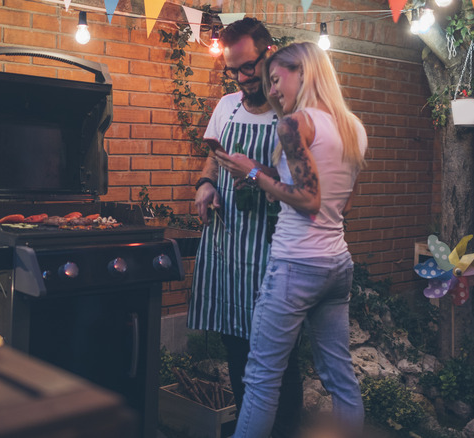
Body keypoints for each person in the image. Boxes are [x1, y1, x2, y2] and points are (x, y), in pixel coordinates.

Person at [214, 41, 368, 438]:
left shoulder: (295, 123)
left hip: (296, 265)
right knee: (340, 377)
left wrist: (251, 175)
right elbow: (340, 201)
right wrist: (267, 177)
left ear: (304, 72)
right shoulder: (352, 126)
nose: (273, 90)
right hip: (337, 264)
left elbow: (308, 199)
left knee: (262, 378)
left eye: (277, 79)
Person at [188, 17, 303, 438]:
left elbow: (303, 185)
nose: (241, 77)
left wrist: (259, 175)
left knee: (278, 354)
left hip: (272, 248)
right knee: (235, 347)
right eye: (233, 69)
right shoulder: (226, 106)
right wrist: (205, 184)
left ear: (268, 54)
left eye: (248, 67)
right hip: (227, 243)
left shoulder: (290, 111)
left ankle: (284, 429)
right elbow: (213, 157)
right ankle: (249, 425)